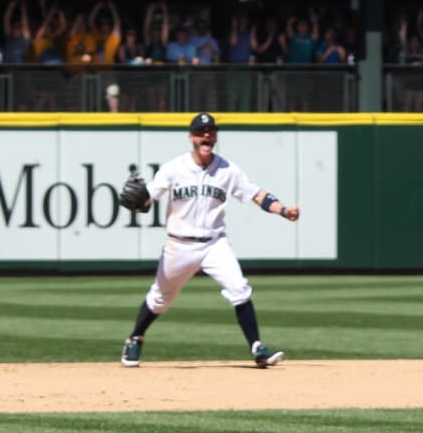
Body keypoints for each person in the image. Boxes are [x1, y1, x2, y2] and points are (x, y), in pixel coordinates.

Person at [117, 113, 297, 368]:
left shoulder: (227, 170)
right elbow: (147, 200)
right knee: (160, 299)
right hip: (179, 245)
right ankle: (136, 338)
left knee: (239, 289)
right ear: (191, 137)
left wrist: (283, 209)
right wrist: (139, 203)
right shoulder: (173, 168)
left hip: (214, 244)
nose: (206, 136)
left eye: (211, 131)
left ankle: (257, 348)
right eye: (201, 132)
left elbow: (256, 194)